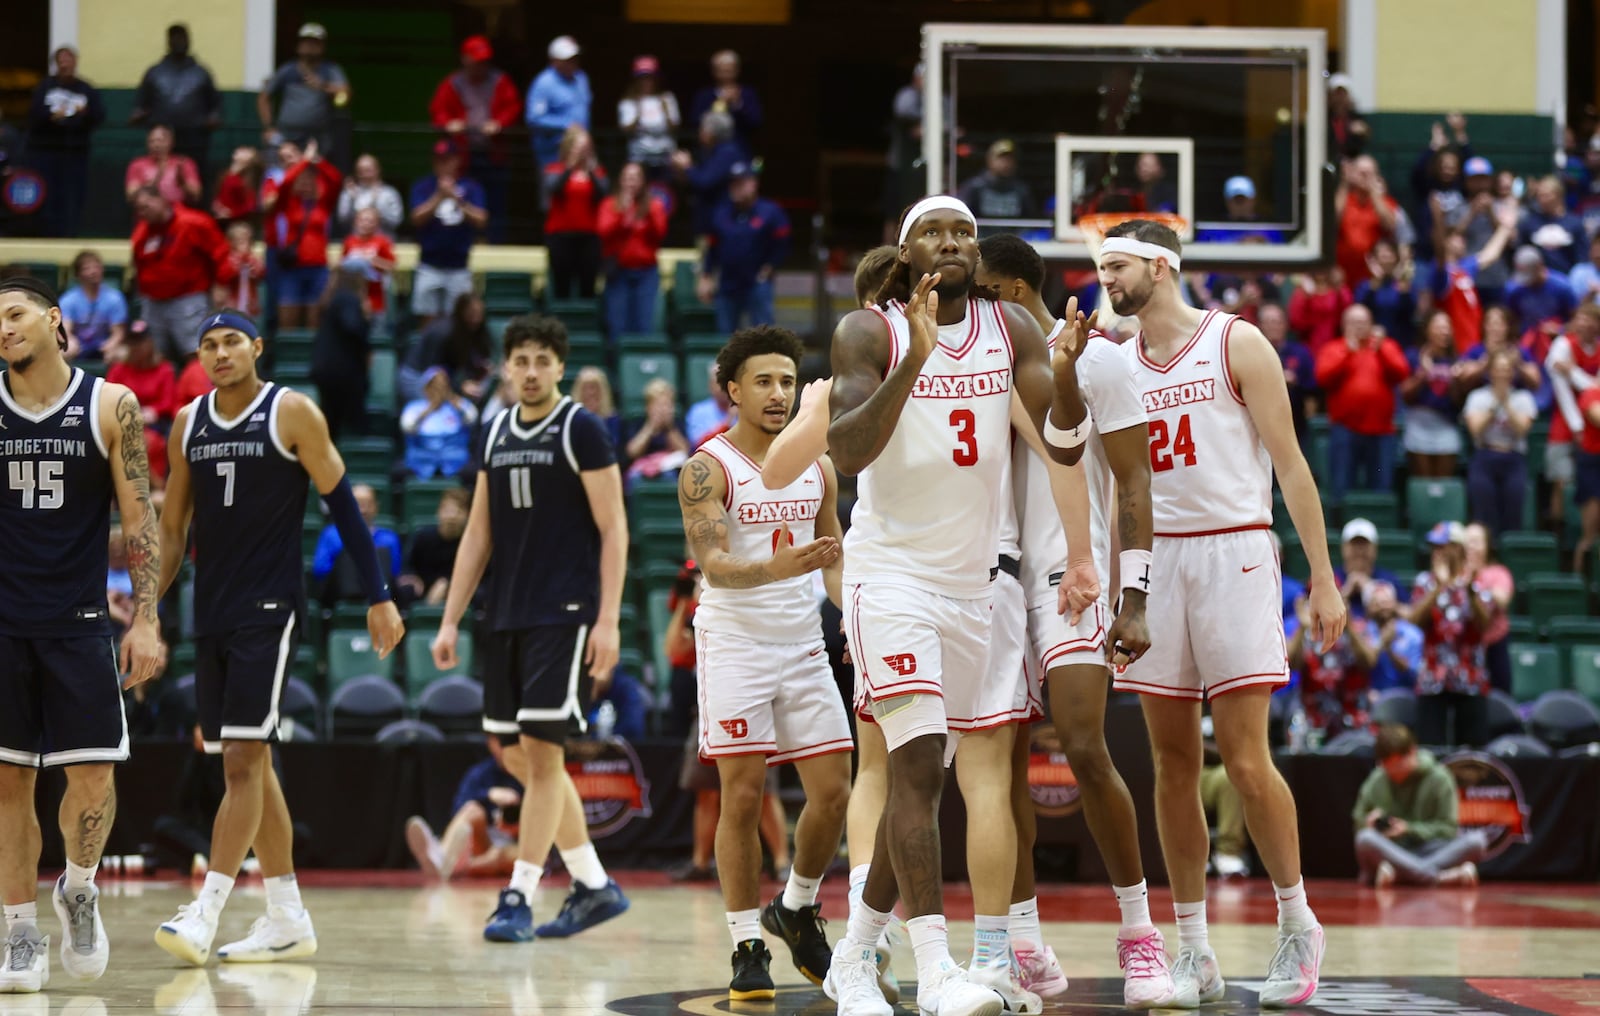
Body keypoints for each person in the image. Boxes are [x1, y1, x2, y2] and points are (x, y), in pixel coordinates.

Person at [822, 195, 1096, 1016]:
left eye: (964, 232)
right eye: (934, 232)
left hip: (974, 584)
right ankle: (938, 972)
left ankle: (853, 959)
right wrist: (915, 361)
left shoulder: (1011, 332)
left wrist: (1072, 375)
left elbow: (1061, 440)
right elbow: (846, 451)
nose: (952, 242)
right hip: (891, 576)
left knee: (927, 772)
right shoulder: (869, 332)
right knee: (915, 764)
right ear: (904, 253)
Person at [1100, 219, 1345, 1007]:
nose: (1106, 277)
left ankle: (1297, 922)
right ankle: (1194, 950)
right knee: (1171, 764)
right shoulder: (1115, 364)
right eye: (1101, 266)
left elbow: (1292, 464)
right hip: (1157, 561)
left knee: (1243, 759)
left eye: (1119, 264)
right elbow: (1116, 492)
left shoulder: (1235, 343)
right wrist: (1118, 587)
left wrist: (1324, 577)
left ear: (1162, 265)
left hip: (1234, 551)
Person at [153, 310, 403, 966]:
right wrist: (147, 610)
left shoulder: (291, 412)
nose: (220, 353)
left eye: (232, 341)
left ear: (256, 347)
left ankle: (205, 910)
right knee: (250, 763)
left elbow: (343, 502)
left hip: (270, 606)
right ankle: (286, 915)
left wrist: (379, 596)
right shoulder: (187, 424)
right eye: (208, 345)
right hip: (211, 610)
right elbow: (174, 530)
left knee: (240, 757)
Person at [974, 233, 1172, 1005]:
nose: (976, 306)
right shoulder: (966, 364)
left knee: (1086, 746)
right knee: (1000, 770)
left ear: (1019, 292)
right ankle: (1023, 941)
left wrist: (1136, 595)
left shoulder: (1097, 358)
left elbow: (1133, 482)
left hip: (1071, 576)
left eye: (986, 292)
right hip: (987, 577)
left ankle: (1140, 937)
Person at [432, 316, 631, 943]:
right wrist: (449, 619)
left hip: (563, 613)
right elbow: (479, 533)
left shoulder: (581, 429)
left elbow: (614, 527)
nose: (531, 370)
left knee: (543, 756)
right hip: (507, 615)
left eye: (543, 359)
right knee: (517, 756)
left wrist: (607, 619)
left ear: (560, 367)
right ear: (506, 366)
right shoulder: (494, 430)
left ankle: (517, 894)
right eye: (520, 359)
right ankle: (593, 884)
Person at [0, 275, 164, 994]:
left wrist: (149, 617)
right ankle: (19, 931)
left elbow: (140, 520)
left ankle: (79, 885)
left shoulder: (110, 405)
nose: (3, 329)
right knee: (9, 784)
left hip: (79, 626)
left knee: (92, 783)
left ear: (54, 321)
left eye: (13, 314)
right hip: (3, 625)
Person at [677, 326, 852, 1001]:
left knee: (833, 791)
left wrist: (853, 611)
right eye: (763, 382)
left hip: (802, 641)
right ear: (732, 390)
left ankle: (798, 904)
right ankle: (747, 940)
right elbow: (715, 567)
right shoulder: (707, 467)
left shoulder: (820, 464)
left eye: (787, 381)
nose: (778, 393)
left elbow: (832, 561)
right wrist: (772, 568)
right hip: (735, 641)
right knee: (743, 796)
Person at [1353, 725, 1487, 888]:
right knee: (1365, 839)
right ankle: (1439, 878)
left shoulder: (1440, 777)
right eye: (1389, 768)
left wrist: (1409, 829)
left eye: (1398, 766)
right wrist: (1368, 823)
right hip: (1392, 850)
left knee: (1476, 841)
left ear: (1412, 752)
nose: (1395, 773)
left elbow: (1448, 829)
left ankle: (1401, 877)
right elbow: (1359, 822)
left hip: (1429, 849)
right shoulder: (1377, 780)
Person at [1405, 522, 1493, 748]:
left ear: (1459, 549)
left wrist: (1468, 590)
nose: (1438, 553)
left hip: (1470, 679)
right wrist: (1440, 586)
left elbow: (1485, 625)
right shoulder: (1425, 582)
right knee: (1431, 750)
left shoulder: (1476, 583)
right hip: (1433, 680)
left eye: (1443, 546)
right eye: (1434, 547)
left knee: (1472, 755)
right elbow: (1414, 620)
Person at [1314, 303, 1408, 504]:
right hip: (1345, 431)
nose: (1359, 327)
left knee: (1381, 490)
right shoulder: (1334, 348)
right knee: (1341, 489)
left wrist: (1381, 349)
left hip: (1381, 432)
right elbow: (1323, 378)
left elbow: (1401, 372)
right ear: (1344, 324)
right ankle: (1340, 529)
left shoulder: (1385, 346)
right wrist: (1347, 352)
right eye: (1354, 322)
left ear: (1372, 324)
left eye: (1363, 322)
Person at [430, 36, 521, 243]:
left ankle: (496, 245)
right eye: (476, 60)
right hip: (463, 155)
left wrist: (499, 123)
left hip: (493, 153)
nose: (481, 65)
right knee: (465, 199)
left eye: (484, 60)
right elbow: (438, 111)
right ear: (465, 59)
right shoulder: (452, 83)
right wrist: (448, 124)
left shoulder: (500, 80)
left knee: (496, 202)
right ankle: (466, 241)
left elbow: (512, 107)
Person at [130, 185, 228, 364]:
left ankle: (198, 390)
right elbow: (138, 267)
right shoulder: (142, 233)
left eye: (146, 206)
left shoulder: (194, 222)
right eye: (138, 209)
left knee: (195, 352)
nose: (142, 213)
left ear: (161, 199)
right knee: (155, 356)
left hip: (188, 298)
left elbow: (220, 254)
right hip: (154, 302)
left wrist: (221, 284)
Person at [406, 738, 523, 881]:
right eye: (500, 742)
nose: (505, 748)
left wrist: (515, 824)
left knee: (503, 855)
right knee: (472, 809)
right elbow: (458, 811)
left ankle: (455, 868)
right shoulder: (480, 773)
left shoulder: (529, 776)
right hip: (484, 841)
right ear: (490, 743)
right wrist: (488, 795)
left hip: (515, 846)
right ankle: (441, 856)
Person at [701, 162, 789, 334]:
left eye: (741, 183)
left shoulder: (770, 212)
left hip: (757, 282)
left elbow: (783, 242)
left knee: (763, 336)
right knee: (726, 338)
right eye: (733, 184)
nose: (736, 188)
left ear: (753, 184)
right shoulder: (721, 213)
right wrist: (706, 275)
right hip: (728, 283)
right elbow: (712, 247)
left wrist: (772, 265)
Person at [26, 46, 105, 237]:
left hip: (75, 154)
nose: (65, 64)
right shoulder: (44, 87)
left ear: (75, 62)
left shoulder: (86, 89)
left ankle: (70, 235)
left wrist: (84, 114)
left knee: (73, 197)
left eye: (68, 59)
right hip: (46, 153)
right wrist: (50, 117)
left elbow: (99, 116)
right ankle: (48, 235)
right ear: (56, 64)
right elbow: (33, 116)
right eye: (61, 60)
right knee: (49, 197)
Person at [265, 139, 342, 329]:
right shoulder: (288, 202)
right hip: (292, 268)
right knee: (287, 323)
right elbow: (286, 182)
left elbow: (336, 179)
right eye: (302, 179)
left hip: (317, 268)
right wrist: (304, 162)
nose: (306, 183)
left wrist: (318, 162)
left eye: (310, 179)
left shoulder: (324, 204)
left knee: (315, 323)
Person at [410, 141, 487, 324]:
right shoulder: (423, 186)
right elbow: (416, 218)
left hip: (459, 265)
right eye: (439, 160)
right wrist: (438, 196)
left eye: (448, 159)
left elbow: (481, 219)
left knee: (460, 319)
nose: (443, 164)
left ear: (457, 161)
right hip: (429, 264)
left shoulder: (470, 187)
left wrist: (456, 199)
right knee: (427, 319)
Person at [1463, 350, 1538, 536]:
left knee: (1513, 513)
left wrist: (1507, 404)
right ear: (1491, 372)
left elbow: (1522, 430)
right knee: (1484, 515)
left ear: (1513, 373)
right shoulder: (1477, 397)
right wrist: (1496, 403)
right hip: (1484, 456)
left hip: (1513, 457)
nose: (1503, 373)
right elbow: (1476, 430)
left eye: (1507, 369)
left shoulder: (1524, 398)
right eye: (1498, 369)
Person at [130, 25, 221, 176]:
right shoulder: (155, 73)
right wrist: (139, 114)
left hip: (194, 138)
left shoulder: (201, 73)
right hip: (163, 137)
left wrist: (213, 118)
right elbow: (142, 102)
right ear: (169, 41)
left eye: (183, 38)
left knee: (193, 176)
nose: (179, 42)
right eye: (175, 38)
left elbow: (215, 103)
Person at [598, 162, 668, 339]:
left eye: (636, 178)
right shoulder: (609, 205)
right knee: (618, 325)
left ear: (643, 181)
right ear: (620, 181)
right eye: (628, 178)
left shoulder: (655, 205)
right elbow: (603, 231)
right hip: (618, 272)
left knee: (645, 324)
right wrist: (623, 215)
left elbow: (660, 232)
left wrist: (646, 212)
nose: (631, 182)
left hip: (646, 273)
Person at [258, 24, 351, 155]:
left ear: (322, 46)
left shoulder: (331, 70)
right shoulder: (287, 70)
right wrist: (269, 127)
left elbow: (345, 95)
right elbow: (264, 97)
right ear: (299, 45)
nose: (310, 46)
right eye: (306, 41)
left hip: (317, 138)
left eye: (315, 42)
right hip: (285, 137)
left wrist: (323, 86)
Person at [542, 127, 609, 301]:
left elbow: (603, 195)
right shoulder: (554, 169)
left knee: (588, 287)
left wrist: (592, 171)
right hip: (560, 236)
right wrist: (569, 168)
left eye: (586, 148)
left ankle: (585, 324)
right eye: (579, 147)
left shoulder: (598, 172)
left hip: (589, 236)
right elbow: (553, 189)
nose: (582, 152)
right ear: (569, 148)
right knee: (561, 286)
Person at [1400, 310, 1466, 479]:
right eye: (1438, 327)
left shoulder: (1457, 360)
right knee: (1423, 482)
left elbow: (1458, 401)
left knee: (1443, 483)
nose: (1443, 332)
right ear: (1427, 330)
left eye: (1446, 328)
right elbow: (1405, 394)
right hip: (1419, 423)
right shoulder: (1414, 356)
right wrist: (1423, 375)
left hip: (1446, 424)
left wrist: (1455, 382)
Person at [310, 264, 372, 441]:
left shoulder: (333, 299)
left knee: (331, 424)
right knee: (355, 425)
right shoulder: (347, 298)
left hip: (326, 370)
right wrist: (365, 319)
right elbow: (352, 326)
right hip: (342, 372)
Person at [310, 483, 402, 601]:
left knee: (381, 553)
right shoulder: (331, 534)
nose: (363, 509)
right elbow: (320, 570)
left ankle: (379, 601)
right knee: (350, 553)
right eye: (357, 503)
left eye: (367, 504)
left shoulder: (389, 538)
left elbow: (394, 573)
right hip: (338, 591)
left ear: (376, 507)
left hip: (380, 591)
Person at [400, 293, 492, 404]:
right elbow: (433, 373)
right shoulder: (443, 332)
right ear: (462, 312)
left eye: (480, 314)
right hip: (417, 376)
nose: (477, 319)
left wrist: (481, 370)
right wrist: (460, 387)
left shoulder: (474, 330)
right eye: (472, 313)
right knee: (440, 408)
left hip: (443, 376)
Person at [525, 37, 591, 175]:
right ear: (554, 60)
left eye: (575, 58)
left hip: (581, 152)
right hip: (553, 155)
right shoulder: (543, 83)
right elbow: (534, 118)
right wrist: (566, 124)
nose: (572, 62)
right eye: (567, 59)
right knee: (554, 193)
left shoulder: (581, 78)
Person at [401, 367, 478, 480]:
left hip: (454, 457)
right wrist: (430, 408)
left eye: (443, 385)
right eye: (435, 385)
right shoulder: (415, 407)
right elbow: (407, 427)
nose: (439, 389)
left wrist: (452, 399)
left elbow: (472, 418)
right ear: (426, 387)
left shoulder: (458, 405)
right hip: (422, 457)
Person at [398, 487, 469, 607]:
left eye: (458, 511)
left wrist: (447, 584)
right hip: (423, 589)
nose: (452, 516)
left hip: (459, 590)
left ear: (467, 515)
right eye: (448, 510)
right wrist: (412, 578)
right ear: (439, 512)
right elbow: (407, 567)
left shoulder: (470, 543)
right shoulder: (422, 537)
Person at [618, 57, 681, 182]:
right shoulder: (629, 101)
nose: (646, 81)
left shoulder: (667, 98)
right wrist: (637, 112)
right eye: (642, 77)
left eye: (650, 77)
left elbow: (675, 126)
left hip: (664, 157)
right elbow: (625, 130)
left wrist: (666, 111)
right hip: (640, 158)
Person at [59, 251, 128, 361]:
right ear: (78, 274)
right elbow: (66, 331)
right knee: (64, 351)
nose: (93, 272)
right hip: (79, 346)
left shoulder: (115, 298)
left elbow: (118, 333)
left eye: (96, 267)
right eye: (87, 268)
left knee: (121, 354)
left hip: (104, 345)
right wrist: (71, 341)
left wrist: (111, 344)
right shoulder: (68, 299)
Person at [689, 51, 763, 146]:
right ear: (713, 71)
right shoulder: (704, 95)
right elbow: (695, 121)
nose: (725, 75)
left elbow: (755, 122)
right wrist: (718, 104)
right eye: (721, 71)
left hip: (740, 148)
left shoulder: (747, 93)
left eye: (728, 71)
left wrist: (737, 104)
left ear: (737, 70)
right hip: (710, 150)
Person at [1335, 518, 1403, 620]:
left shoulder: (1388, 578)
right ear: (1343, 548)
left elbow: (1409, 613)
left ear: (1375, 548)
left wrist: (1372, 591)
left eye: (1364, 545)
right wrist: (1346, 592)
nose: (1359, 550)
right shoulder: (1330, 578)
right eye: (1354, 544)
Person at [957, 139, 1039, 220]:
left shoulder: (1021, 189)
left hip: (1013, 233)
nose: (1006, 163)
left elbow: (1030, 220)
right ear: (990, 160)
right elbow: (962, 217)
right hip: (982, 232)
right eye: (1002, 159)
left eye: (1010, 159)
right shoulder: (974, 186)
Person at [124, 124, 201, 207]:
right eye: (152, 141)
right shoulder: (137, 165)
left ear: (171, 142)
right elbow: (131, 196)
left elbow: (196, 196)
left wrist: (182, 183)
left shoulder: (184, 163)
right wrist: (157, 177)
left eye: (161, 140)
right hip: (148, 213)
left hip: (179, 213)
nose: (156, 145)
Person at [336, 154, 403, 236]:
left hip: (384, 242)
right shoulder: (349, 193)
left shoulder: (389, 193)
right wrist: (352, 201)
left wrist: (376, 208)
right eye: (360, 171)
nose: (364, 174)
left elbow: (396, 221)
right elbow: (342, 221)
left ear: (377, 170)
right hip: (357, 243)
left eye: (368, 170)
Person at [214, 221, 266, 318]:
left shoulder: (254, 258)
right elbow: (223, 277)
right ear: (230, 241)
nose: (243, 243)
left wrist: (252, 264)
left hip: (250, 304)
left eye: (246, 240)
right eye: (239, 240)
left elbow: (261, 274)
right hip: (231, 303)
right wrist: (238, 261)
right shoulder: (226, 257)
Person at [685, 360, 733, 448]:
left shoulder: (744, 410)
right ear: (710, 386)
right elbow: (699, 445)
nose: (723, 388)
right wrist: (729, 420)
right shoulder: (698, 411)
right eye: (719, 383)